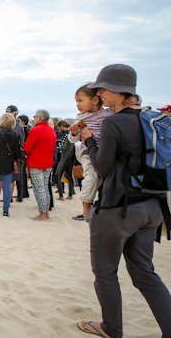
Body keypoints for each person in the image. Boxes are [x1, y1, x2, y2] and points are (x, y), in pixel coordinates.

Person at [77, 64, 171, 338]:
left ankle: (111, 329)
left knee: (105, 272)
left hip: (118, 208)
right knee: (145, 273)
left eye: (104, 89)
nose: (101, 94)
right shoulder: (151, 118)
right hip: (152, 207)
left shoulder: (114, 122)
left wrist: (89, 141)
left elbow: (103, 168)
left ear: (119, 91)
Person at [68, 84, 114, 222]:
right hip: (87, 152)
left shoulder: (108, 113)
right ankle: (86, 206)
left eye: (81, 101)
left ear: (95, 100)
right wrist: (74, 133)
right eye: (76, 102)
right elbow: (72, 140)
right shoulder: (82, 118)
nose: (78, 105)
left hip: (104, 151)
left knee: (104, 179)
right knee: (91, 176)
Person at [23, 109, 57, 221]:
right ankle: (46, 213)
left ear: (39, 118)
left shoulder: (35, 130)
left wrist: (24, 146)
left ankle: (42, 214)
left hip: (36, 163)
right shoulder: (51, 130)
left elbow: (27, 148)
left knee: (39, 189)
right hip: (48, 162)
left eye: (34, 117)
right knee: (45, 188)